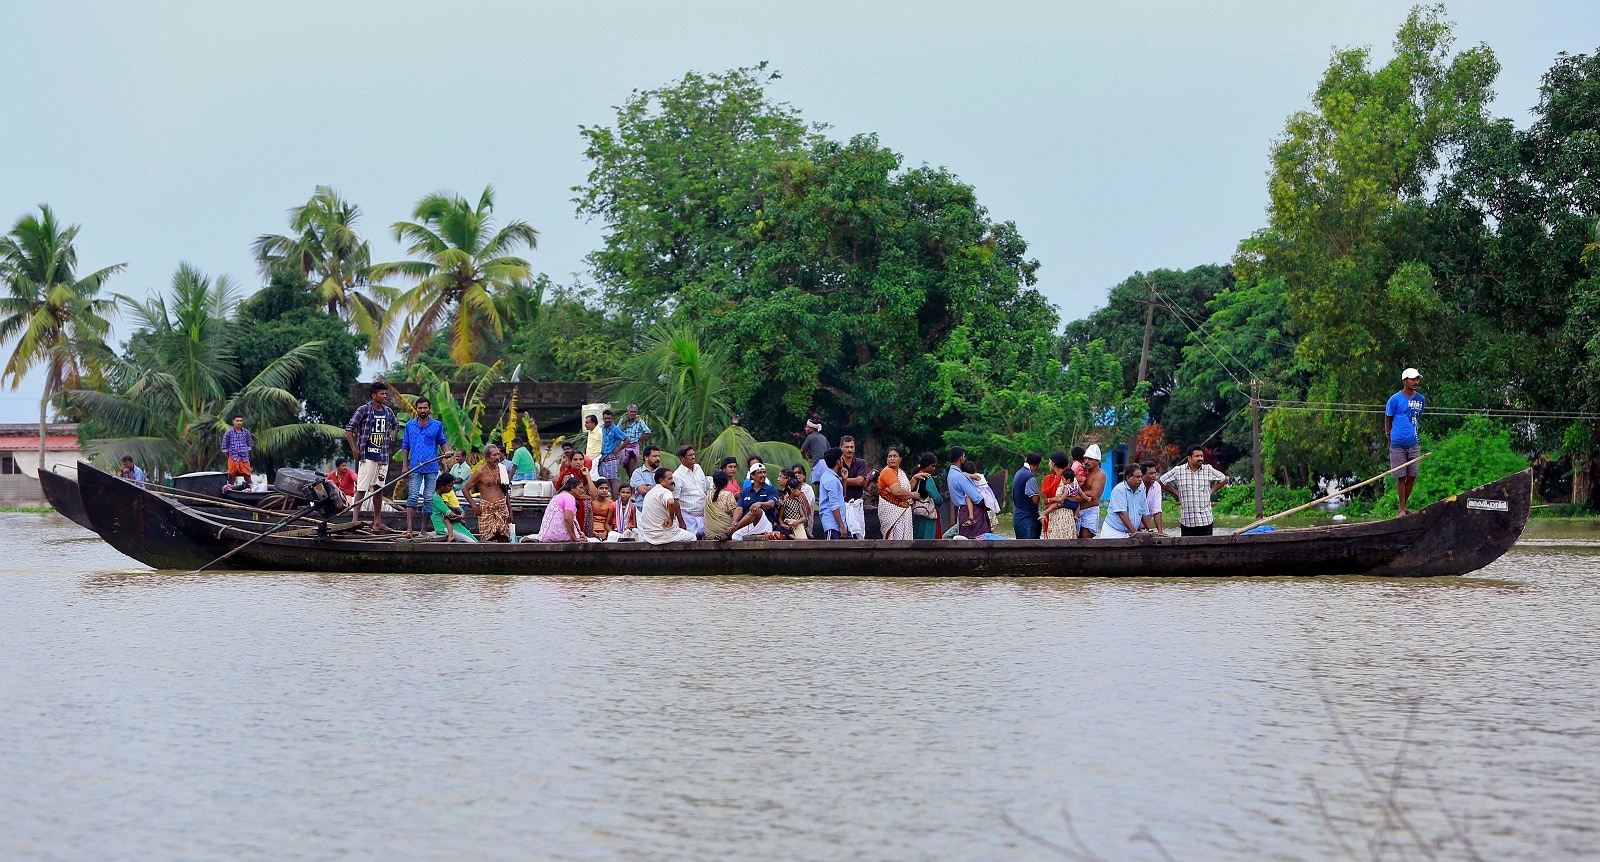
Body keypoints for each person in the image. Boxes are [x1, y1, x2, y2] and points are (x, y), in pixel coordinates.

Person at [345, 382, 399, 531]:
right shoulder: (364, 410)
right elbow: (349, 430)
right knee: (361, 488)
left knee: (378, 488)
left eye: (385, 393)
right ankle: (355, 520)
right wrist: (355, 450)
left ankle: (377, 521)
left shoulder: (387, 411)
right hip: (367, 455)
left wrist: (391, 436)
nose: (385, 396)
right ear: (374, 395)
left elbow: (396, 425)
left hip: (382, 457)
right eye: (382, 394)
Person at [400, 396, 449, 537]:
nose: (422, 410)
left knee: (428, 498)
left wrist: (446, 453)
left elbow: (442, 441)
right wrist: (405, 465)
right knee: (413, 496)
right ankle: (409, 529)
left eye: (425, 408)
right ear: (416, 409)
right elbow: (405, 446)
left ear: (429, 409)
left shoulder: (437, 425)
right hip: (415, 467)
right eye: (420, 408)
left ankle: (423, 530)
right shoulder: (410, 425)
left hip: (431, 467)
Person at [1158, 444, 1229, 536]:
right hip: (1188, 520)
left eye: (1201, 456)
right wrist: (1176, 493)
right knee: (1187, 548)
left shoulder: (1208, 469)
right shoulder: (1178, 471)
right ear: (1189, 458)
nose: (1200, 458)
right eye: (1197, 456)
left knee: (1207, 548)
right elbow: (1160, 482)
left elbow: (1224, 479)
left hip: (1205, 519)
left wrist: (1211, 491)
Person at [1387, 367, 1427, 515]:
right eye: (1413, 379)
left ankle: (1403, 506)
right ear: (1405, 381)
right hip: (1397, 443)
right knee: (1401, 476)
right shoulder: (1395, 399)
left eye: (1417, 379)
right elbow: (1388, 418)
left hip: (1413, 442)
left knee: (1412, 475)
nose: (1416, 382)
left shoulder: (1420, 399)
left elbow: (1418, 417)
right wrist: (1388, 436)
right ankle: (1402, 509)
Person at [462, 443, 514, 541]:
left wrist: (510, 511)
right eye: (494, 455)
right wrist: (474, 506)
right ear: (487, 457)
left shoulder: (502, 469)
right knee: (487, 539)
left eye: (498, 454)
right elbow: (465, 488)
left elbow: (506, 491)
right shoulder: (480, 471)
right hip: (487, 509)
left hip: (502, 507)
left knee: (504, 538)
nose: (497, 457)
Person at [717, 462, 781, 541]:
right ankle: (734, 528)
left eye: (764, 472)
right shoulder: (745, 491)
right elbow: (739, 508)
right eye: (759, 473)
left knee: (756, 510)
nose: (763, 475)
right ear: (752, 476)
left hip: (764, 524)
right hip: (746, 524)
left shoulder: (771, 489)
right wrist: (734, 522)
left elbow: (771, 503)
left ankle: (730, 532)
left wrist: (760, 503)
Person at [639, 467, 696, 544]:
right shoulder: (665, 491)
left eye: (672, 478)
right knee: (692, 537)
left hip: (649, 537)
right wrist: (671, 519)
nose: (673, 481)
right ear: (661, 481)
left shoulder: (650, 493)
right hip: (665, 535)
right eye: (670, 479)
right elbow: (671, 502)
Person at [946, 446, 991, 539]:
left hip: (962, 511)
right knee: (978, 543)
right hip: (973, 513)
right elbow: (976, 498)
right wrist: (988, 505)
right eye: (964, 457)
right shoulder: (960, 476)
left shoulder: (950, 475)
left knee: (966, 542)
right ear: (960, 458)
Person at [1099, 465, 1153, 539]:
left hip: (1130, 533)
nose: (1140, 479)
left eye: (1141, 477)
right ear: (1128, 477)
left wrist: (1150, 531)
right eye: (1137, 477)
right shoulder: (1119, 490)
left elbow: (1144, 512)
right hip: (1114, 532)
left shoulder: (1141, 490)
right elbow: (1122, 514)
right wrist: (1134, 533)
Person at [876, 447, 916, 540]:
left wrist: (915, 479)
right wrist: (914, 495)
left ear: (900, 458)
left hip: (903, 511)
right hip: (892, 513)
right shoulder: (887, 471)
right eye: (890, 456)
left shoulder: (901, 472)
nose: (892, 458)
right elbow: (897, 492)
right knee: (894, 540)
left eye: (895, 456)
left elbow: (906, 489)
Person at [1039, 450, 1081, 540]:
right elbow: (1045, 500)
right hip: (1052, 516)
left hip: (1065, 516)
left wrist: (1063, 499)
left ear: (1053, 463)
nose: (1049, 464)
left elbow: (1078, 497)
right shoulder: (1050, 479)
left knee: (1065, 544)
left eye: (1049, 461)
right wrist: (1054, 499)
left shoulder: (1069, 478)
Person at [536, 476, 588, 542]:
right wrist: (575, 538)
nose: (582, 490)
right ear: (572, 488)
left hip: (545, 536)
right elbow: (568, 518)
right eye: (580, 488)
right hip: (555, 536)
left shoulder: (560, 495)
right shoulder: (569, 497)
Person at [839, 436, 871, 539]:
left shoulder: (860, 463)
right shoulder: (837, 463)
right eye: (847, 447)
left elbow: (860, 481)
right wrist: (854, 480)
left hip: (856, 503)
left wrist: (841, 479)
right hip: (841, 505)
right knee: (842, 535)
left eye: (852, 447)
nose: (850, 450)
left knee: (859, 536)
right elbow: (857, 481)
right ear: (841, 448)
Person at [672, 445, 708, 537]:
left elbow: (704, 489)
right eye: (690, 455)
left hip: (703, 515)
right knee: (691, 542)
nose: (693, 457)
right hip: (688, 516)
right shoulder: (677, 476)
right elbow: (675, 500)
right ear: (682, 458)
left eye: (693, 454)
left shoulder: (698, 468)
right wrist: (681, 522)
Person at [430, 473, 476, 542]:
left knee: (474, 540)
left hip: (451, 524)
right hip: (443, 527)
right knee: (472, 542)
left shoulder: (440, 496)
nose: (452, 488)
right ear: (442, 486)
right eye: (450, 486)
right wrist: (460, 516)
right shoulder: (435, 498)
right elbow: (450, 514)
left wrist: (460, 516)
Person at [1076, 444, 1107, 540]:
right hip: (1077, 510)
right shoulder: (1082, 470)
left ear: (1097, 461)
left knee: (1086, 541)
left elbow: (1094, 494)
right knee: (1073, 539)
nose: (1087, 461)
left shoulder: (1100, 474)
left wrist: (1076, 495)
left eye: (1090, 459)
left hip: (1090, 510)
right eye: (1085, 459)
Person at [816, 448, 849, 539]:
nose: (843, 460)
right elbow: (834, 505)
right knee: (833, 552)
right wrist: (841, 526)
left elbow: (841, 496)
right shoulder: (831, 480)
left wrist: (844, 480)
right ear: (838, 461)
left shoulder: (832, 477)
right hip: (833, 525)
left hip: (838, 524)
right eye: (841, 458)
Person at [909, 452, 943, 540]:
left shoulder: (914, 478)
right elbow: (937, 499)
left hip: (914, 515)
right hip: (928, 517)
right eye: (932, 466)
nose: (934, 468)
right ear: (926, 465)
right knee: (929, 544)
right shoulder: (928, 479)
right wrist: (940, 501)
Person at [1011, 452, 1042, 539]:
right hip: (1027, 518)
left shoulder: (1019, 473)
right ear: (1038, 465)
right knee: (1030, 548)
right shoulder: (1029, 477)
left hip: (1018, 515)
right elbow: (1035, 499)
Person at [616, 404, 652, 476]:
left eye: (634, 412)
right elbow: (616, 431)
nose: (633, 413)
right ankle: (631, 480)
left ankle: (632, 479)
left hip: (634, 445)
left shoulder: (639, 421)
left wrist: (639, 439)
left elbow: (648, 432)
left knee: (632, 461)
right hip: (624, 445)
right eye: (631, 411)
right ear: (628, 412)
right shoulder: (623, 421)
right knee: (626, 464)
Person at [703, 468, 739, 540]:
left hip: (709, 533)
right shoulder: (728, 495)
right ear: (727, 482)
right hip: (725, 532)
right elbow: (735, 515)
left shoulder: (709, 495)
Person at [220, 413, 253, 488]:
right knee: (232, 476)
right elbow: (224, 448)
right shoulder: (228, 433)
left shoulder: (246, 433)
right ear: (233, 422)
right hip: (233, 456)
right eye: (237, 421)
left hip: (244, 457)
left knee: (247, 475)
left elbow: (249, 445)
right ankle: (230, 490)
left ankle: (252, 490)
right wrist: (230, 457)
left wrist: (244, 453)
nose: (239, 422)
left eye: (241, 421)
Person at [597, 410, 625, 482]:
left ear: (612, 419)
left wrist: (617, 450)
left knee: (613, 480)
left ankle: (615, 493)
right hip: (602, 457)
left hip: (611, 457)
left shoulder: (615, 429)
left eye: (609, 418)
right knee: (603, 480)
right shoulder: (601, 428)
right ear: (603, 419)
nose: (607, 420)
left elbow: (627, 439)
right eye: (605, 418)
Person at [1141, 460, 1164, 534]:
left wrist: (1160, 532)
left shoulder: (1157, 486)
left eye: (1155, 473)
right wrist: (1150, 529)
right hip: (1129, 528)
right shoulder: (1137, 486)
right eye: (1151, 473)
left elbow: (1157, 510)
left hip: (1143, 528)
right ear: (1143, 475)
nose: (1154, 476)